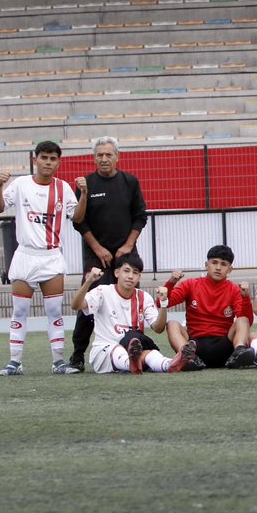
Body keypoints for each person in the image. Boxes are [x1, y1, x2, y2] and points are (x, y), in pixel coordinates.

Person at [0, 141, 87, 376]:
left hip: (51, 257)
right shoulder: (21, 184)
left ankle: (58, 362)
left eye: (53, 158)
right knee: (20, 311)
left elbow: (77, 217)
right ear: (36, 160)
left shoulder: (63, 188)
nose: (48, 162)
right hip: (25, 255)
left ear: (58, 162)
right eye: (44, 157)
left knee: (54, 311)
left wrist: (84, 193)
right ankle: (15, 363)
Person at [67, 135, 148, 373]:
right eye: (99, 155)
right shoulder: (86, 185)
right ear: (94, 158)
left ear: (117, 157)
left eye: (108, 154)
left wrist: (128, 246)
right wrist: (98, 248)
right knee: (89, 304)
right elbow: (78, 222)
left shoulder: (130, 182)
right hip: (96, 255)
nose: (104, 159)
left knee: (131, 302)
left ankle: (135, 349)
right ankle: (78, 354)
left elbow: (140, 216)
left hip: (126, 254)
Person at [72, 253, 202, 374]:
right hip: (105, 351)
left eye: (135, 273)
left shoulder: (144, 297)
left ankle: (171, 364)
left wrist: (163, 304)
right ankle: (131, 363)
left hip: (135, 348)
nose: (130, 276)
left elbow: (158, 328)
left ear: (139, 277)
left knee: (151, 354)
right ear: (117, 273)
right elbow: (76, 305)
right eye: (126, 271)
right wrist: (89, 281)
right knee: (119, 350)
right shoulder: (102, 292)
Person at [163, 245, 256, 369]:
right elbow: (164, 302)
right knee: (172, 324)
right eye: (214, 263)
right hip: (195, 346)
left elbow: (247, 321)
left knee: (242, 320)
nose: (218, 268)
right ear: (207, 265)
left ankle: (239, 352)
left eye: (223, 264)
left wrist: (245, 298)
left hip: (224, 346)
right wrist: (171, 282)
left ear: (230, 269)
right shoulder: (191, 284)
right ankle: (187, 358)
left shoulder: (235, 289)